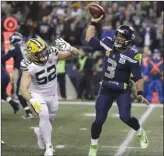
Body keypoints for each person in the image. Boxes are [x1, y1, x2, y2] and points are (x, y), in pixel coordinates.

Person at [85, 15, 149, 156]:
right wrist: (93, 22)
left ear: (128, 40)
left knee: (125, 117)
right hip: (106, 88)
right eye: (118, 35)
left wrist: (139, 94)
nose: (118, 39)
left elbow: (138, 78)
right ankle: (93, 147)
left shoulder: (133, 55)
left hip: (122, 90)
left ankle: (140, 132)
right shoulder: (108, 42)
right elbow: (89, 38)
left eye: (121, 37)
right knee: (99, 120)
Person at [20, 38, 79, 156]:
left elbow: (75, 54)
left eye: (43, 51)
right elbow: (23, 89)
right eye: (39, 53)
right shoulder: (28, 65)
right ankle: (49, 147)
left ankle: (41, 134)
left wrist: (70, 48)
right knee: (44, 114)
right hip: (37, 94)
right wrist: (32, 100)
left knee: (48, 121)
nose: (43, 54)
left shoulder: (52, 53)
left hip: (52, 94)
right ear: (32, 55)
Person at [2, 32, 33, 119]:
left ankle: (29, 112)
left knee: (20, 93)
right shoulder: (28, 44)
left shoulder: (14, 47)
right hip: (36, 70)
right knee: (32, 92)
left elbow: (4, 58)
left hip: (25, 72)